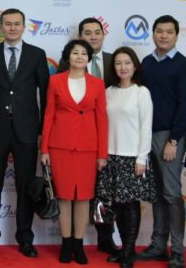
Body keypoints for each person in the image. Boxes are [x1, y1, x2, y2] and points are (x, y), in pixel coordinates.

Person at [0, 8, 49, 258]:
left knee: (26, 187)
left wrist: (43, 131)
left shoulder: (37, 54)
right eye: (7, 24)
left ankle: (25, 239)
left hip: (27, 131)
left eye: (17, 24)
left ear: (24, 26)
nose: (12, 28)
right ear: (1, 27)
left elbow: (46, 95)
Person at [41, 39, 107, 265]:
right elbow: (49, 115)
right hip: (60, 147)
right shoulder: (55, 80)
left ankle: (78, 245)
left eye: (84, 53)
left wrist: (102, 154)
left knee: (84, 198)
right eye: (75, 53)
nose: (79, 57)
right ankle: (66, 244)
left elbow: (102, 119)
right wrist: (44, 149)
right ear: (68, 57)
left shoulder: (97, 84)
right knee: (64, 197)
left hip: (88, 149)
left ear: (89, 58)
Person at [137, 15, 186, 268]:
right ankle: (158, 245)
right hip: (145, 135)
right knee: (157, 194)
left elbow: (185, 105)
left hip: (169, 136)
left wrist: (174, 139)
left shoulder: (184, 65)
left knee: (171, 194)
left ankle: (178, 251)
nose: (163, 36)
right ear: (152, 34)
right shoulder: (146, 63)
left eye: (169, 32)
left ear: (176, 35)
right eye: (159, 31)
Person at [96, 47, 154, 268]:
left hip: (132, 157)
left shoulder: (142, 92)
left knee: (130, 205)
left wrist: (141, 158)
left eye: (127, 62)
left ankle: (129, 251)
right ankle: (123, 249)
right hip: (111, 156)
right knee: (117, 205)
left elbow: (146, 127)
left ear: (135, 66)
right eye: (118, 63)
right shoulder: (108, 91)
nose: (123, 67)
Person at [76, 17, 118, 255]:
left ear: (103, 34)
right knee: (80, 188)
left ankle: (106, 238)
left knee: (107, 188)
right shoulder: (70, 62)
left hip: (114, 133)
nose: (92, 36)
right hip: (81, 136)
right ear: (80, 37)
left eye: (97, 32)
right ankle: (75, 240)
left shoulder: (116, 61)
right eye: (87, 33)